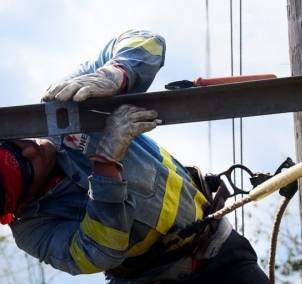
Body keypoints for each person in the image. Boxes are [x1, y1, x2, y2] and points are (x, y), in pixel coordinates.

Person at [0, 29, 271, 283]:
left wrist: (117, 74)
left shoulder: (66, 105)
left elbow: (148, 41)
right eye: (26, 165)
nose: (32, 148)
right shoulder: (33, 229)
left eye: (15, 145)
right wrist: (106, 165)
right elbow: (98, 251)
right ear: (21, 204)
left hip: (218, 250)